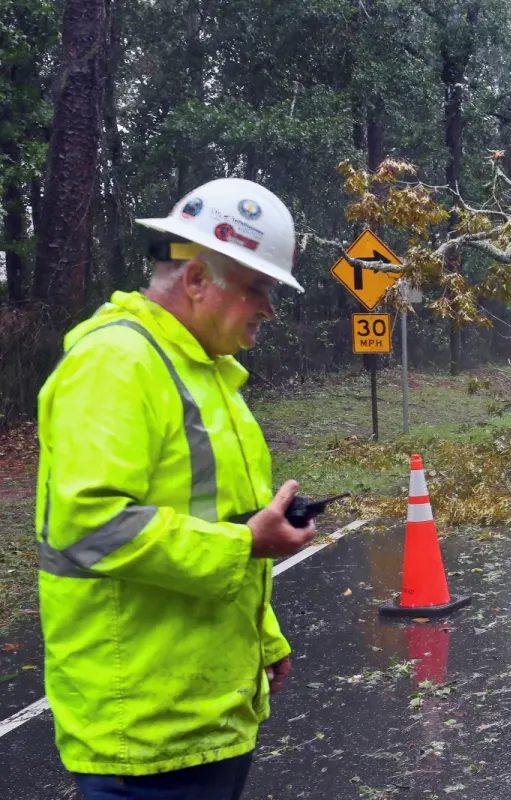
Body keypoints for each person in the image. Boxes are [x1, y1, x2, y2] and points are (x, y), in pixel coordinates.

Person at [36, 178, 318, 800]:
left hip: (204, 713)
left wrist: (261, 637)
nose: (268, 309)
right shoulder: (115, 364)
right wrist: (243, 544)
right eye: (258, 289)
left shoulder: (204, 370)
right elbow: (90, 524)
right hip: (142, 731)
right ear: (195, 280)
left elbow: (219, 516)